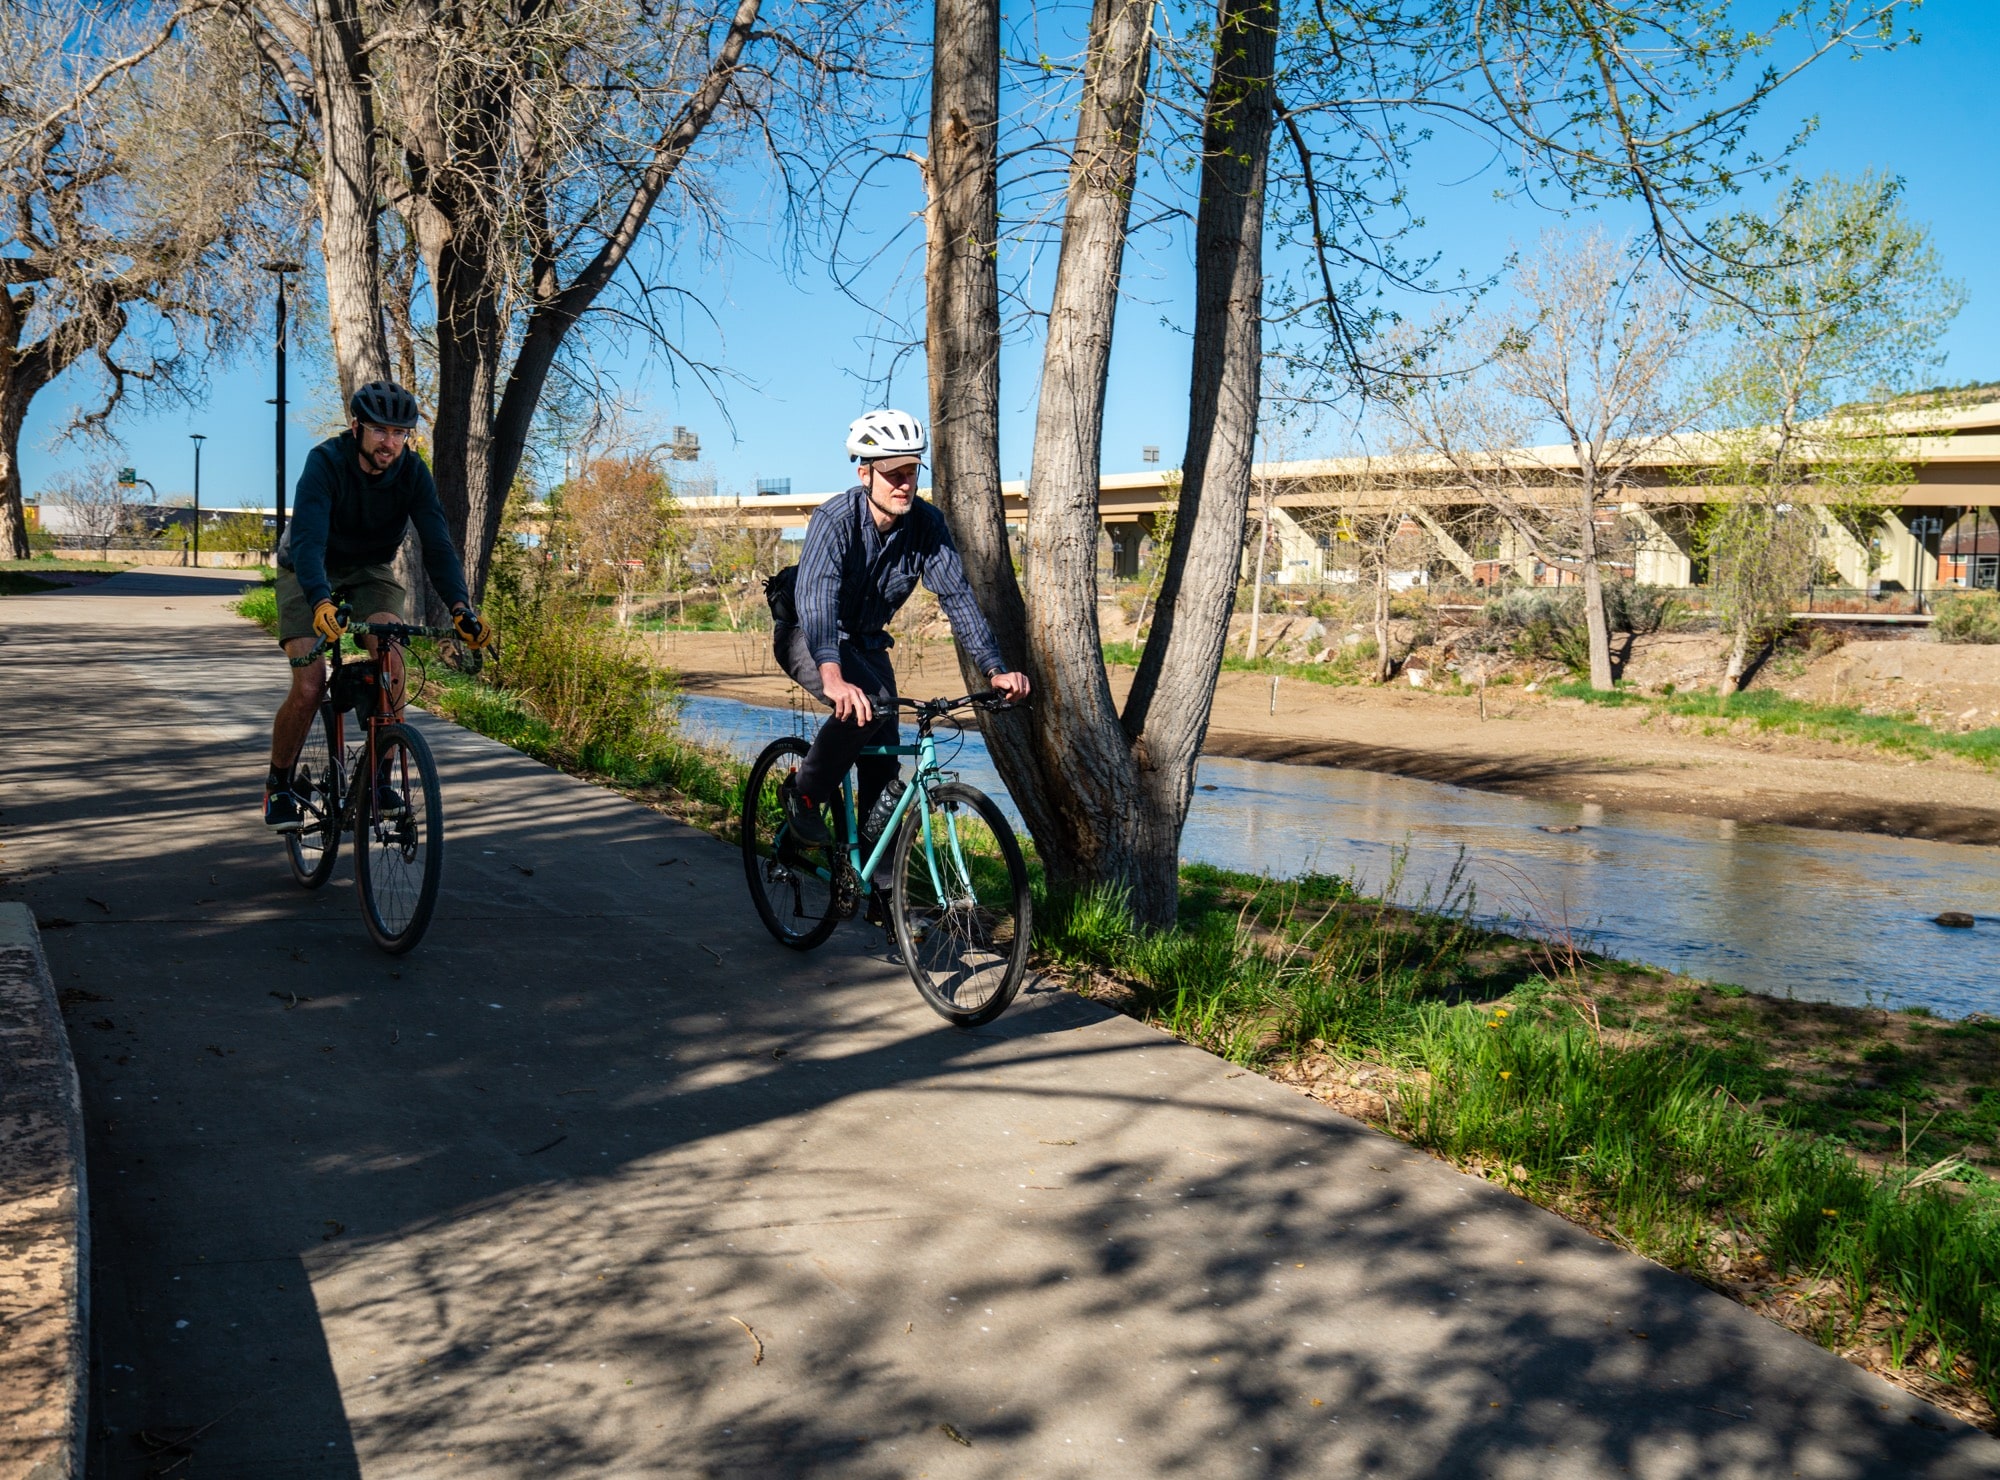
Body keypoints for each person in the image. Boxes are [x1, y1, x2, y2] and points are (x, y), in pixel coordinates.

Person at [772, 409, 1030, 891]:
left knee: (883, 769)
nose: (904, 484)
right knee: (860, 705)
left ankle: (883, 893)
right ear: (865, 473)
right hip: (807, 635)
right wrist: (832, 676)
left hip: (868, 645)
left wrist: (994, 667)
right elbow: (819, 602)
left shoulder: (927, 525)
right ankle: (804, 796)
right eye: (893, 474)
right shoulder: (834, 520)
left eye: (911, 472)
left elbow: (958, 597)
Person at [262, 380, 492, 831]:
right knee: (310, 685)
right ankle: (279, 785)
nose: (390, 442)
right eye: (380, 431)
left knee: (391, 662)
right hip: (308, 568)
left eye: (400, 433)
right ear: (356, 427)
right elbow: (307, 542)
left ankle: (382, 779)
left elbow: (438, 544)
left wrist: (461, 606)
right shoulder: (326, 461)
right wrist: (320, 601)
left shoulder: (411, 472)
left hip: (368, 569)